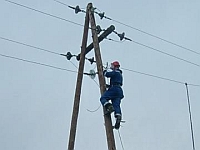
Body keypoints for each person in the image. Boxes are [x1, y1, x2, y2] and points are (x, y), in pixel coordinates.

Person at [100, 61, 124, 129]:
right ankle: (118, 116)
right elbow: (116, 82)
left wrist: (104, 71)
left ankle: (109, 106)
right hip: (119, 91)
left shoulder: (116, 72)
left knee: (103, 98)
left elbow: (107, 74)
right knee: (116, 105)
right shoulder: (120, 74)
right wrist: (109, 86)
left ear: (115, 66)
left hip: (114, 89)